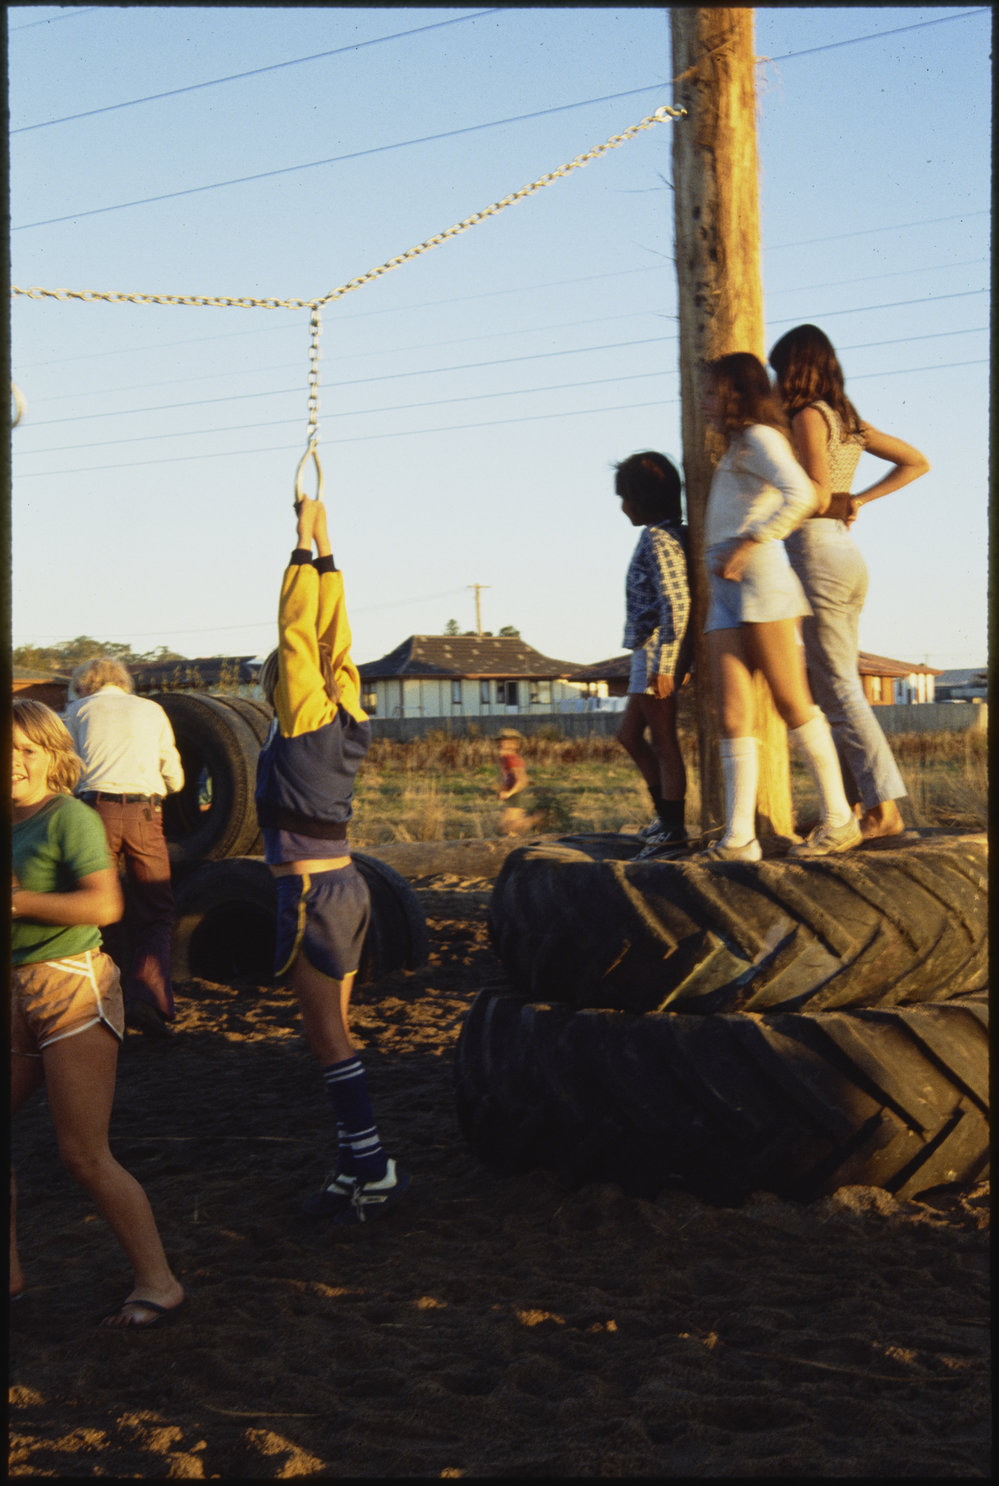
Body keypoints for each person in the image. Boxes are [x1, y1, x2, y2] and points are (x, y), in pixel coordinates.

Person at [255, 493, 409, 1225]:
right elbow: (330, 637)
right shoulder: (348, 706)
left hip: (313, 897)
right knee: (333, 1034)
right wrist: (323, 544)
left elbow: (295, 632)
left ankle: (373, 1164)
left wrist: (297, 547)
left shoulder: (305, 717)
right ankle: (353, 1169)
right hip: (344, 887)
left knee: (326, 1039)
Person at [10, 698, 185, 1327]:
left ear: (54, 756)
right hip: (15, 992)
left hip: (71, 991)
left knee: (82, 1154)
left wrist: (20, 901)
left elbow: (106, 906)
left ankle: (159, 1282)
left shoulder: (71, 819)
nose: (12, 762)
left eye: (25, 750)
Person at [769, 323, 930, 840]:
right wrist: (857, 499)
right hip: (842, 553)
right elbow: (915, 462)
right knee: (830, 685)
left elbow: (815, 493)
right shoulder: (847, 418)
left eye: (779, 369)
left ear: (795, 368)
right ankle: (855, 806)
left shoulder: (807, 416)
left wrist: (842, 499)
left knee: (838, 687)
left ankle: (885, 812)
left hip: (818, 551)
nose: (775, 380)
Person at [699, 352, 863, 861]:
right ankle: (739, 838)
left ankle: (839, 818)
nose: (704, 401)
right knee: (731, 713)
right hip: (725, 592)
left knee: (793, 703)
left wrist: (753, 540)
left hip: (761, 581)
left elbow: (806, 495)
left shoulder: (763, 439)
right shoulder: (740, 446)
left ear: (733, 392)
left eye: (710, 391)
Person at [64, 658, 184, 1037]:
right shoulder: (152, 709)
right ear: (122, 681)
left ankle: (108, 1000)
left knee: (102, 905)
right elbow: (174, 776)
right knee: (157, 908)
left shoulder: (78, 711)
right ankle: (147, 998)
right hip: (144, 812)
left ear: (87, 683)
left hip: (93, 810)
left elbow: (64, 769)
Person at [613, 451, 692, 856]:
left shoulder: (661, 539)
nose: (623, 506)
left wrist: (668, 664)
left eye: (625, 497)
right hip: (644, 651)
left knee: (663, 740)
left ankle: (674, 828)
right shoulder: (660, 536)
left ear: (643, 498)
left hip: (656, 650)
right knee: (628, 735)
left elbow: (676, 602)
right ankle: (664, 816)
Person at [495, 728, 542, 836]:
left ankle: (538, 818)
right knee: (509, 831)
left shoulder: (512, 759)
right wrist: (503, 788)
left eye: (507, 742)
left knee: (504, 828)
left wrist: (509, 793)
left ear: (516, 745)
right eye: (501, 741)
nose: (502, 744)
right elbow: (510, 778)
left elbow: (522, 781)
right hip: (513, 795)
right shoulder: (506, 759)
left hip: (516, 796)